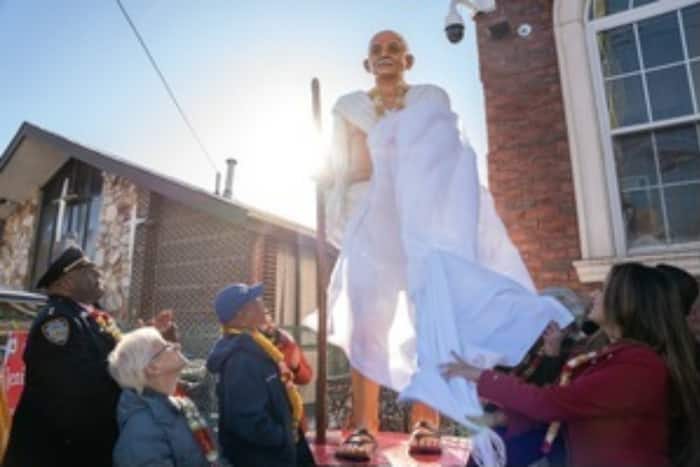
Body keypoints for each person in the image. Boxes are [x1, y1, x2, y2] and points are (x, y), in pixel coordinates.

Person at [319, 30, 571, 463]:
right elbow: (342, 167)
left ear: (408, 60)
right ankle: (363, 425)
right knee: (366, 320)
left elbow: (445, 157)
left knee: (428, 316)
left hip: (420, 221)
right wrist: (333, 205)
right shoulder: (347, 106)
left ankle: (426, 421)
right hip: (369, 219)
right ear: (366, 64)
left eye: (393, 49)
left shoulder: (430, 97)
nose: (384, 56)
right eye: (376, 51)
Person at [442, 262, 700, 467]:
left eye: (604, 288)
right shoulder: (616, 356)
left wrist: (481, 376)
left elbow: (552, 404)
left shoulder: (639, 366)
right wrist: (500, 417)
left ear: (626, 302)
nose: (594, 294)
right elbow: (568, 409)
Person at [4, 246, 122, 467]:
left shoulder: (89, 316)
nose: (99, 274)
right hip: (56, 451)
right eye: (90, 270)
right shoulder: (58, 321)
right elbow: (72, 388)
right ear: (66, 282)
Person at [207, 283, 315, 467]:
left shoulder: (259, 345)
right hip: (264, 457)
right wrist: (283, 437)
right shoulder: (241, 359)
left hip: (281, 449)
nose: (262, 304)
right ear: (240, 315)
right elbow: (247, 420)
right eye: (254, 300)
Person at [108, 327, 216, 466]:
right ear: (153, 368)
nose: (177, 345)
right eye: (166, 346)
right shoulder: (141, 433)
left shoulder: (179, 404)